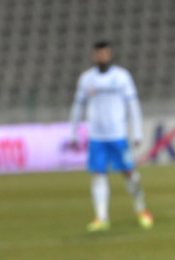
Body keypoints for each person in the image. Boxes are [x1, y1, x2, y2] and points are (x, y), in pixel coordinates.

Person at [70, 41, 153, 232]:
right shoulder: (86, 79)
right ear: (94, 56)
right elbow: (78, 106)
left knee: (129, 173)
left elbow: (133, 104)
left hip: (118, 134)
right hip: (97, 136)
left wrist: (138, 131)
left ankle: (141, 210)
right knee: (98, 175)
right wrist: (73, 132)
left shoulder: (122, 77)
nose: (103, 57)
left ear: (111, 55)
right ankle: (101, 217)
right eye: (99, 54)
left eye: (106, 54)